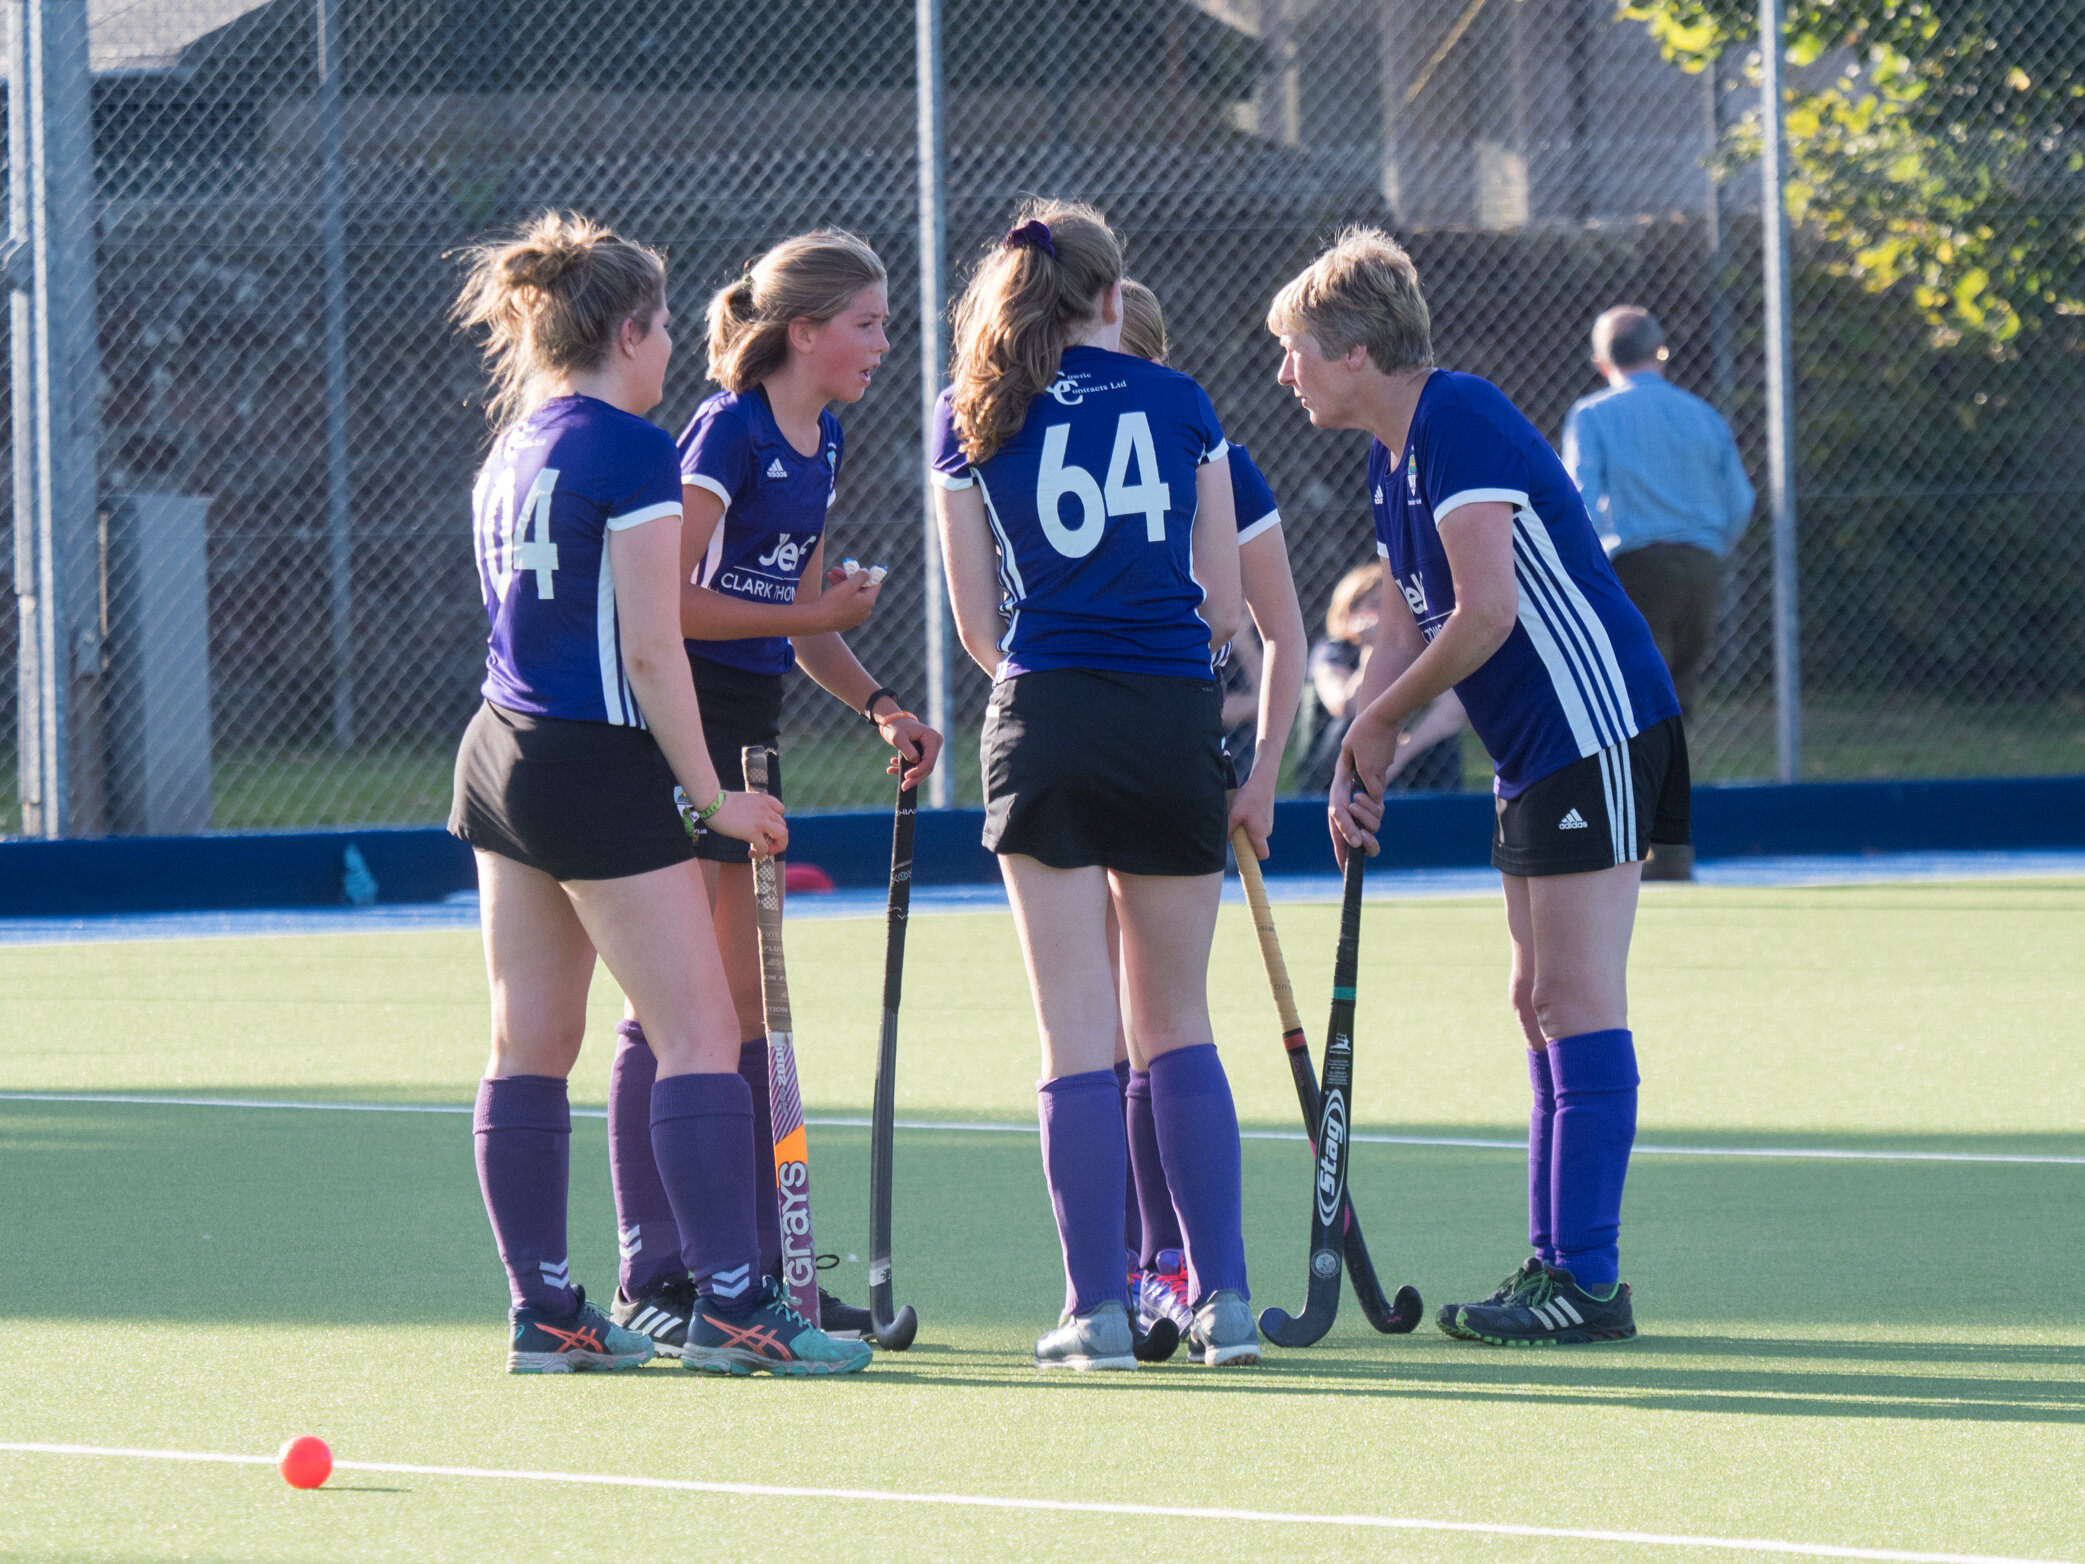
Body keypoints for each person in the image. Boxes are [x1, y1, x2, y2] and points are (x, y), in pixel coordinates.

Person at [447, 211, 869, 1377]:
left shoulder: (516, 440)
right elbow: (651, 650)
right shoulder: (632, 448)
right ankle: (734, 1306)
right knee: (694, 1032)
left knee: (529, 1043)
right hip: (593, 758)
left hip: (496, 753)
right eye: (664, 326)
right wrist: (714, 799)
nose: (674, 347)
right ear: (630, 330)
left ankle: (547, 1309)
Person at [1268, 228, 1689, 1347]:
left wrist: (1379, 716)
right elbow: (1408, 619)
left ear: (1356, 348)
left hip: (1595, 725)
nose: (1285, 371)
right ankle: (1555, 1262)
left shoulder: (1457, 415)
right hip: (1534, 744)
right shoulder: (1389, 453)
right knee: (1533, 999)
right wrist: (1369, 749)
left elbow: (1488, 610)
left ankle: (1587, 1279)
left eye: (1297, 348)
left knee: (1576, 996)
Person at [605, 230, 943, 1356]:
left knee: (746, 1013)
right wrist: (812, 616)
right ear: (803, 332)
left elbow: (800, 611)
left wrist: (881, 702)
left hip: (753, 734)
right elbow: (675, 606)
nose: (882, 345)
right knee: (673, 1005)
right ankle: (654, 1270)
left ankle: (753, 1275)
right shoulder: (727, 429)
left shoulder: (823, 434)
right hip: (679, 732)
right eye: (867, 324)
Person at [933, 201, 1257, 1369]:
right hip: (1172, 713)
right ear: (1115, 296)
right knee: (1177, 1020)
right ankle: (1224, 1302)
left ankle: (1097, 1312)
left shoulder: (970, 413)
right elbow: (1223, 604)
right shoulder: (1185, 403)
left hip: (1048, 713)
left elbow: (978, 624)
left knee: (1074, 1031)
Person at [1112, 278, 1307, 1339]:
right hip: (1140, 740)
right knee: (1127, 1024)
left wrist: (1264, 768)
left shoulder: (1214, 460)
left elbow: (1277, 632)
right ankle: (1153, 1268)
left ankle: (1165, 1269)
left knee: (1142, 1022)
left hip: (1128, 743)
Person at [1563, 306, 1752, 878]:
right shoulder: (1703, 416)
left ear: (1601, 362)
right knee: (1677, 704)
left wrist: (1586, 571)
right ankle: (1670, 849)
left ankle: (1632, 846)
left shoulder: (1593, 414)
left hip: (1637, 567)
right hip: (1702, 566)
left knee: (1631, 708)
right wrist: (1710, 545)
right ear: (1660, 350)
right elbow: (1740, 500)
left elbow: (1578, 493)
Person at [1300, 559, 1466, 795]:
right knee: (1348, 726)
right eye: (1377, 605)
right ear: (1350, 613)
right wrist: (1373, 649)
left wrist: (1400, 755)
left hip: (1400, 761)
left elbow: (1451, 710)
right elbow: (1347, 705)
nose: (1388, 614)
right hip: (1330, 770)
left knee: (1440, 737)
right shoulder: (1331, 651)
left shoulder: (1416, 648)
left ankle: (1441, 812)